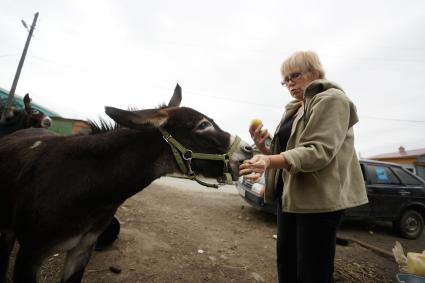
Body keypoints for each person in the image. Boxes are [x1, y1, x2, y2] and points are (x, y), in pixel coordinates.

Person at [239, 50, 368, 283]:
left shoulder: (332, 99)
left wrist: (268, 160)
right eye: (284, 80)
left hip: (318, 202)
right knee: (286, 264)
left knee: (311, 272)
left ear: (315, 72)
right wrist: (264, 148)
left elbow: (318, 150)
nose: (289, 83)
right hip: (290, 197)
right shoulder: (294, 109)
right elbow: (288, 156)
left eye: (294, 76)